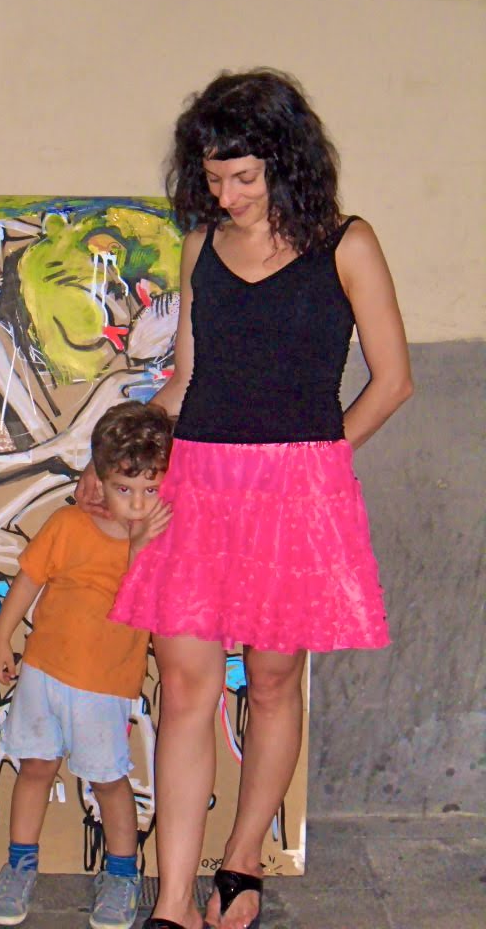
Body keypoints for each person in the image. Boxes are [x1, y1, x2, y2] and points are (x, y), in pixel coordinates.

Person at [76, 69, 413, 929]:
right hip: (197, 488)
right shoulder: (200, 248)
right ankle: (173, 901)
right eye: (213, 177)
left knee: (270, 681)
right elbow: (188, 381)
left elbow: (393, 382)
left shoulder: (347, 244)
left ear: (286, 161)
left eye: (243, 177)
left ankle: (241, 858)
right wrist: (113, 454)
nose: (225, 195)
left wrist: (318, 463)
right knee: (185, 690)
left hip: (295, 495)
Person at [0, 400, 174, 929]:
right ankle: (19, 867)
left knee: (108, 781)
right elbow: (28, 579)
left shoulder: (162, 541)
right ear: (99, 480)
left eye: (150, 490)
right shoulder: (68, 523)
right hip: (42, 673)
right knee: (34, 768)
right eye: (123, 488)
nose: (136, 503)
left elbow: (142, 604)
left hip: (104, 687)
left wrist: (140, 547)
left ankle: (122, 874)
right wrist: (1, 639)